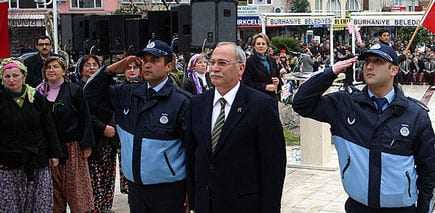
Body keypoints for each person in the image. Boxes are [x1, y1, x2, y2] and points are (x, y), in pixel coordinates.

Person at [292, 43, 435, 212]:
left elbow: (429, 170)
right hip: (357, 206)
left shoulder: (414, 114)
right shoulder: (346, 104)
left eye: (377, 61)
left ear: (394, 70)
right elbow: (301, 104)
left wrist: (424, 208)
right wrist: (330, 72)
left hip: (401, 208)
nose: (369, 66)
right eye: (367, 61)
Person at [84, 40, 191, 213]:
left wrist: (190, 191)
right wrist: (111, 69)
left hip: (169, 189)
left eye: (154, 60)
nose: (147, 65)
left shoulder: (182, 102)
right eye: (145, 60)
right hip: (136, 188)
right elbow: (88, 94)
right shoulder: (127, 93)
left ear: (169, 66)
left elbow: (191, 149)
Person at [188, 42, 287, 213]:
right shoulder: (197, 104)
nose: (214, 68)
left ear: (241, 69)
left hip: (244, 204)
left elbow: (273, 166)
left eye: (222, 63)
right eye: (212, 62)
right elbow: (192, 155)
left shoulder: (261, 106)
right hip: (206, 203)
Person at [0, 58, 63, 212]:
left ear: (24, 76)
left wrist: (54, 153)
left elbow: (49, 126)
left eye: (15, 75)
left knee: (39, 203)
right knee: (11, 205)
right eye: (7, 76)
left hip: (37, 159)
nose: (12, 80)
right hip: (8, 161)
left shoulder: (35, 97)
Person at [36, 56, 95, 213]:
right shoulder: (38, 93)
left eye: (55, 67)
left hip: (72, 148)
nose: (51, 70)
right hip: (49, 150)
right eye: (48, 67)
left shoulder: (74, 90)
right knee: (53, 194)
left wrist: (86, 144)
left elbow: (85, 118)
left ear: (63, 70)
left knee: (77, 192)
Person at [243, 33, 281, 99]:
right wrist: (264, 87)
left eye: (263, 44)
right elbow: (246, 83)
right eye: (258, 44)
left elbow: (277, 76)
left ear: (267, 46)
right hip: (257, 99)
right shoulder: (249, 62)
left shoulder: (272, 60)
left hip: (272, 98)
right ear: (254, 46)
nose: (261, 46)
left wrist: (277, 81)